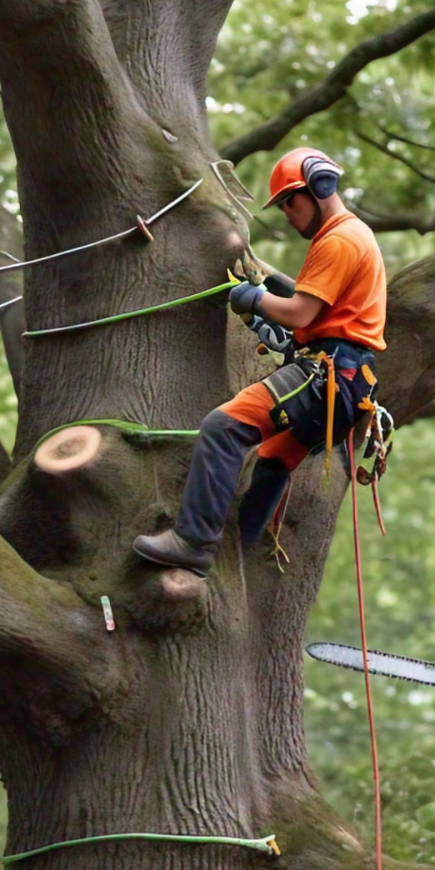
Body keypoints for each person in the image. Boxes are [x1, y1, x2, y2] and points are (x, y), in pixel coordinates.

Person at [133, 146, 387, 575]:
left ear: (320, 186)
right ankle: (239, 553)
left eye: (291, 200)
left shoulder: (340, 239)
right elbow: (314, 313)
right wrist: (272, 296)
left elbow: (301, 312)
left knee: (222, 427)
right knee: (272, 459)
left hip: (329, 375)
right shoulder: (350, 236)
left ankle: (193, 541)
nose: (287, 213)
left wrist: (252, 297)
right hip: (345, 381)